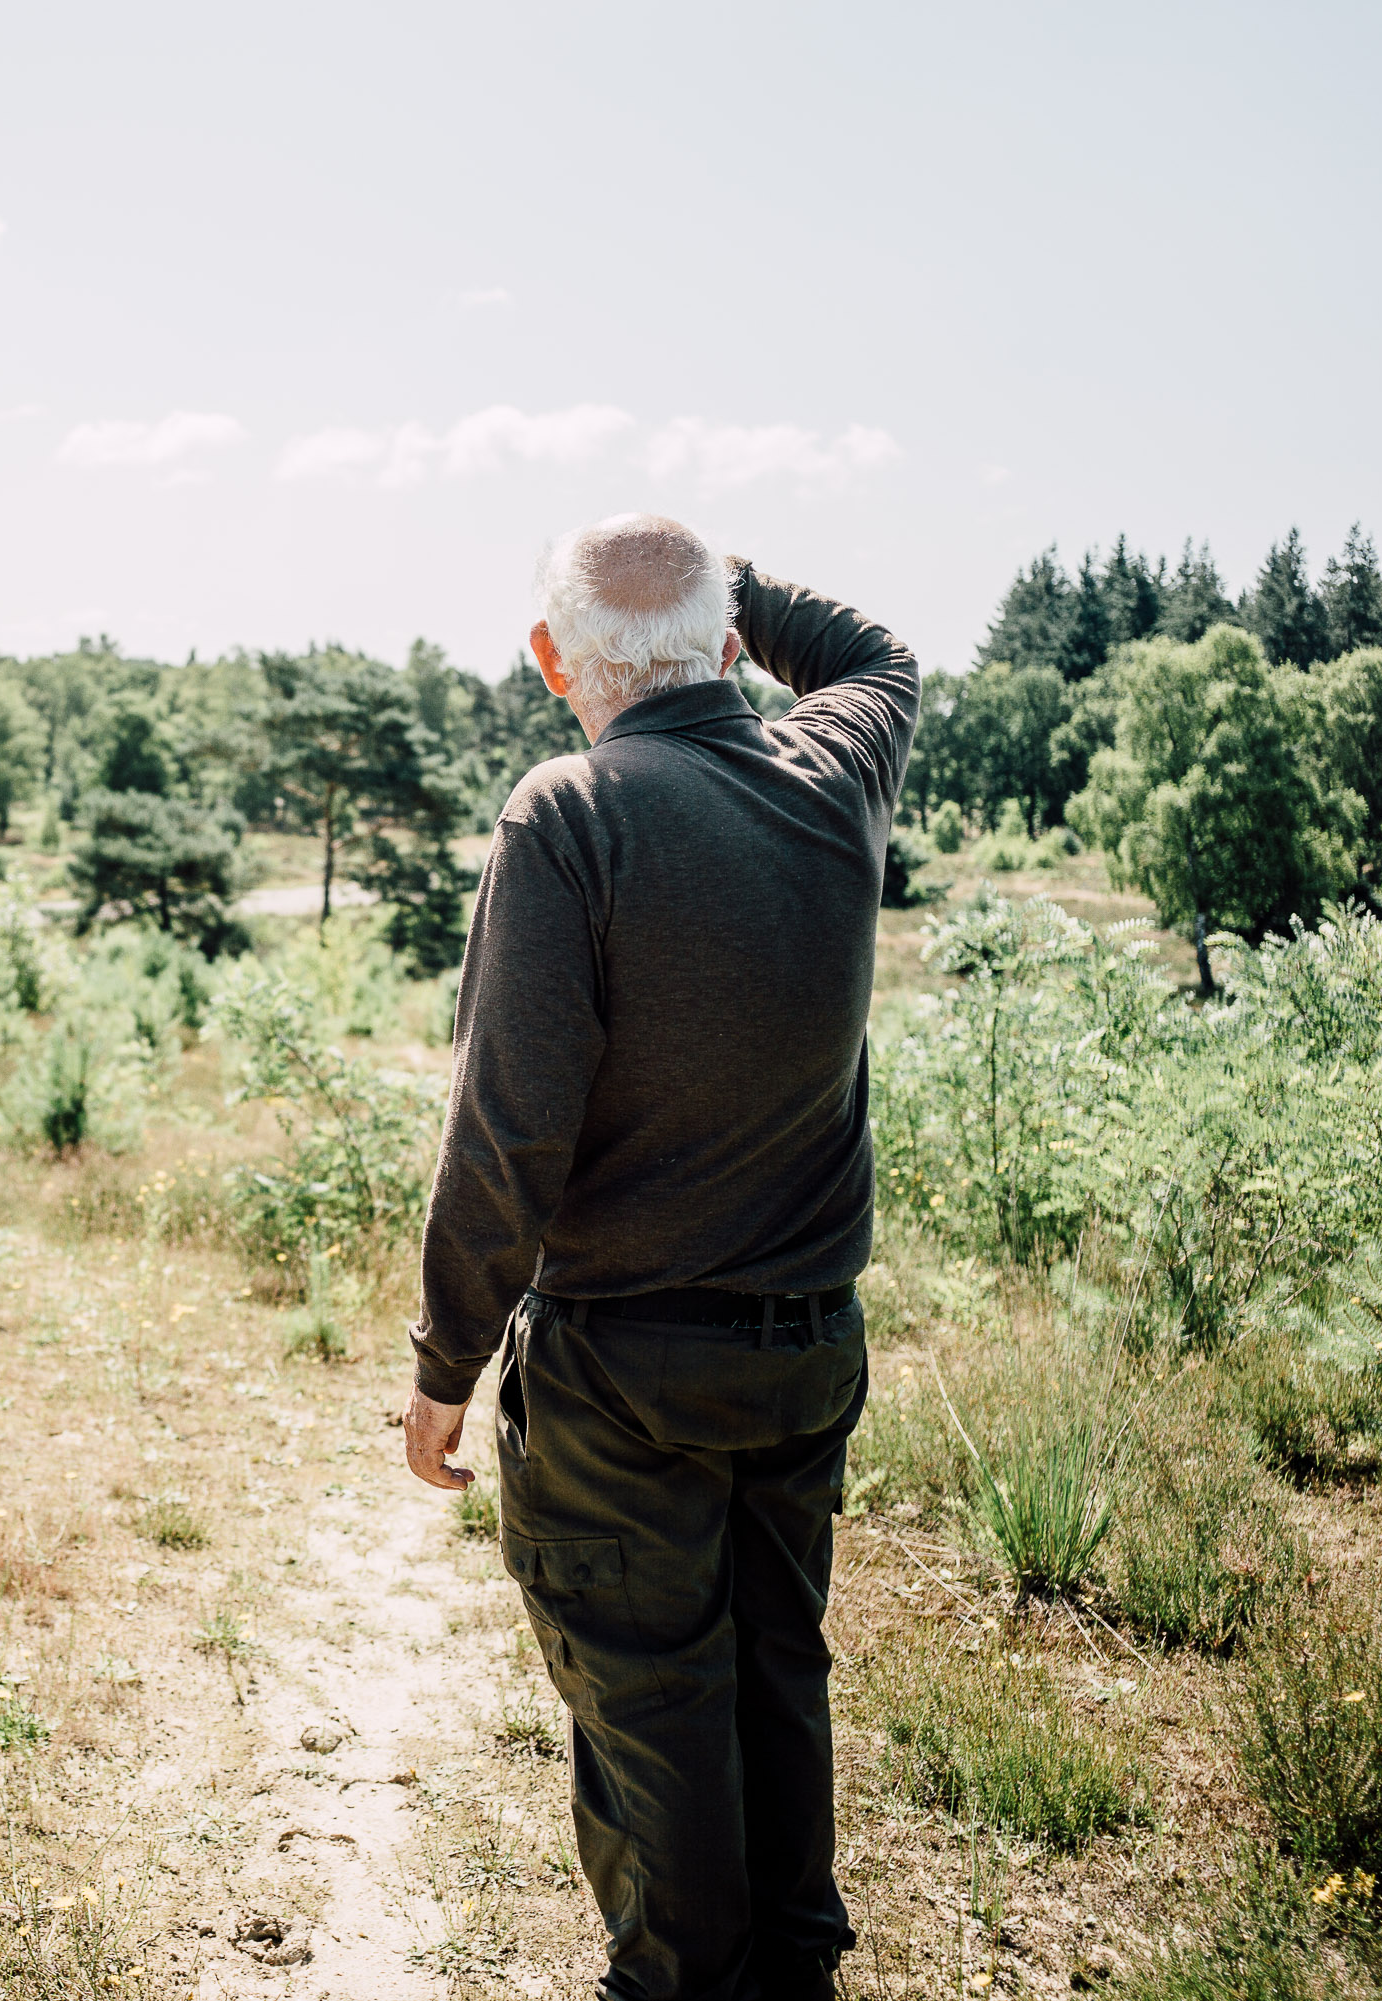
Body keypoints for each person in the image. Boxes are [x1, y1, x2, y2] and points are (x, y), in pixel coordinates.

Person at [400, 515, 919, 2001]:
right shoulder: (834, 773)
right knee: (776, 1679)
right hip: (805, 1356)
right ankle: (795, 1974)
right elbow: (879, 656)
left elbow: (510, 1131)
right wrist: (722, 581)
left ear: (552, 658)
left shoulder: (569, 814)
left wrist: (446, 1361)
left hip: (621, 1375)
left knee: (657, 1718)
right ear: (733, 643)